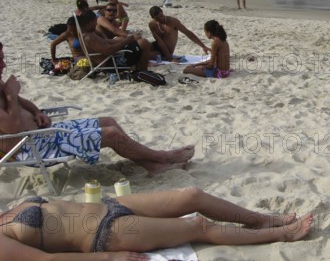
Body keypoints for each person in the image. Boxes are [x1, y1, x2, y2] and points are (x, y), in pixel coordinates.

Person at [0, 41, 194, 175]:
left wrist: (37, 112)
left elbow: (23, 102)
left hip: (43, 135)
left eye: (3, 58)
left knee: (109, 121)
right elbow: (13, 127)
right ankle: (163, 157)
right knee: (112, 134)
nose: (4, 64)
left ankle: (152, 165)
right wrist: (10, 94)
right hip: (33, 148)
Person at [0, 187, 313, 259]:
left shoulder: (5, 211)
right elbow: (46, 260)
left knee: (191, 195)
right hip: (105, 235)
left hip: (109, 205)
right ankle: (283, 235)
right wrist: (110, 257)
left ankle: (261, 220)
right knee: (198, 226)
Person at [79, 10, 152, 71]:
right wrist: (125, 42)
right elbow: (109, 50)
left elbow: (105, 42)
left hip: (111, 58)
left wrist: (122, 39)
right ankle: (142, 71)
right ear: (90, 22)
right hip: (111, 63)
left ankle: (139, 70)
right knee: (144, 43)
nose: (96, 24)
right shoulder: (89, 37)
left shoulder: (87, 33)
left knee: (137, 41)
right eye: (95, 22)